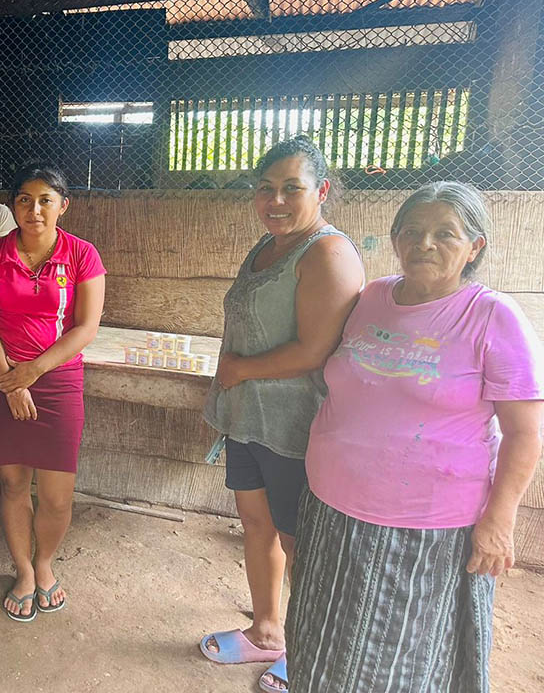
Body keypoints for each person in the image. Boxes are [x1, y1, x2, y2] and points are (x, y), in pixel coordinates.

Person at [286, 182, 543, 693]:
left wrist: (499, 520)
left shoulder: (492, 316)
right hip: (331, 511)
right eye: (412, 231)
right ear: (395, 239)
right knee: (317, 643)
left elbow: (525, 432)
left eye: (445, 233)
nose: (424, 243)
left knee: (399, 665)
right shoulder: (371, 298)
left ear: (475, 247)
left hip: (424, 532)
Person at [198, 135, 364, 693]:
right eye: (265, 188)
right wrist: (236, 380)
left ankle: (309, 653)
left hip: (296, 427)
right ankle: (267, 631)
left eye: (292, 188)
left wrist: (240, 369)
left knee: (300, 544)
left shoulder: (326, 253)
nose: (275, 200)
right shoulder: (268, 245)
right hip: (250, 419)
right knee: (257, 525)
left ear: (322, 190)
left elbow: (315, 350)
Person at [0, 162, 106, 623]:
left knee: (56, 496)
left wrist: (31, 372)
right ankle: (24, 571)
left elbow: (86, 327)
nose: (34, 210)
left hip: (57, 380)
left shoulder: (82, 254)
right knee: (12, 484)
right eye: (24, 200)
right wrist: (9, 380)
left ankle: (45, 562)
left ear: (63, 205)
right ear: (13, 206)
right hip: (2, 375)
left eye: (45, 200)